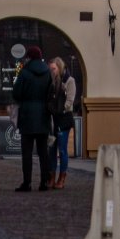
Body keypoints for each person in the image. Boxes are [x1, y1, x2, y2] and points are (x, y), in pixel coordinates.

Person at [12, 44, 55, 191]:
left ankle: (27, 182)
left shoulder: (24, 72)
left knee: (27, 152)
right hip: (43, 115)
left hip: (27, 116)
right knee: (43, 152)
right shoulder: (48, 72)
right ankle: (44, 182)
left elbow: (16, 93)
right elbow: (51, 92)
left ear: (29, 56)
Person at [50, 55, 78, 188]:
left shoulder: (69, 81)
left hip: (63, 118)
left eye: (54, 69)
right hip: (53, 118)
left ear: (60, 68)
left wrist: (60, 109)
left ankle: (62, 177)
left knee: (62, 150)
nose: (52, 71)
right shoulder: (51, 81)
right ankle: (51, 176)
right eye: (51, 69)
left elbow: (70, 101)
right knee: (51, 148)